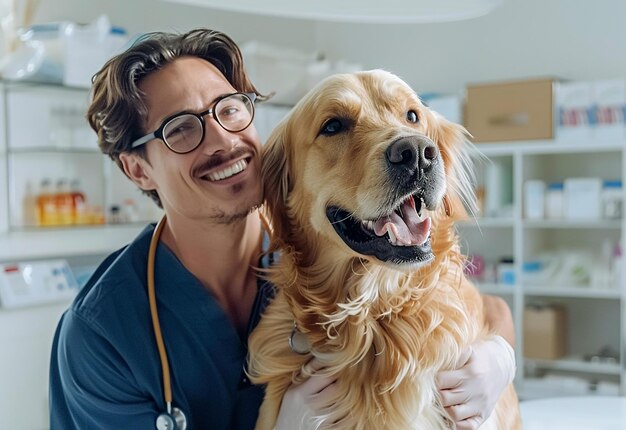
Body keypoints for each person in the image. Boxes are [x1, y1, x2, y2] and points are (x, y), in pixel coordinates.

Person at [49, 28, 516, 430]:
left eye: (228, 109)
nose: (223, 140)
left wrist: (500, 356)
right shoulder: (103, 334)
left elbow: (477, 304)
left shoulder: (312, 244)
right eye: (181, 129)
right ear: (138, 171)